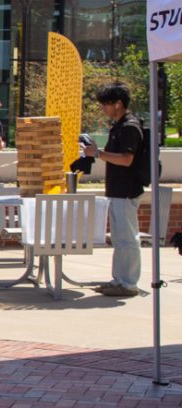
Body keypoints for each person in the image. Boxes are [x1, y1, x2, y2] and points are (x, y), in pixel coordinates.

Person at [84, 82, 143, 298]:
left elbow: (127, 159)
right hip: (118, 190)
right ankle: (119, 280)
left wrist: (97, 154)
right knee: (119, 239)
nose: (103, 108)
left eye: (106, 104)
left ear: (118, 104)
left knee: (128, 238)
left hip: (126, 190)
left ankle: (128, 283)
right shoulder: (119, 126)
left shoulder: (129, 127)